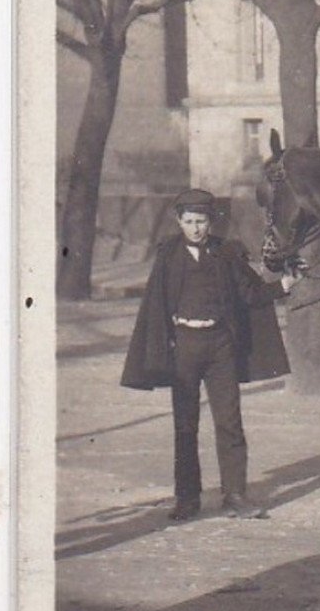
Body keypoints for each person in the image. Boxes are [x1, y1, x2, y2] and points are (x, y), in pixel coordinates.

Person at [121, 188, 299, 521]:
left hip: (220, 348)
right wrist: (162, 351)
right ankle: (188, 499)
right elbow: (156, 306)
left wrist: (283, 286)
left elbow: (250, 292)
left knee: (230, 422)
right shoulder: (168, 256)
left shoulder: (226, 253)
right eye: (189, 221)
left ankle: (235, 494)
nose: (196, 228)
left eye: (201, 221)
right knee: (185, 425)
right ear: (179, 221)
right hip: (184, 347)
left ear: (210, 222)